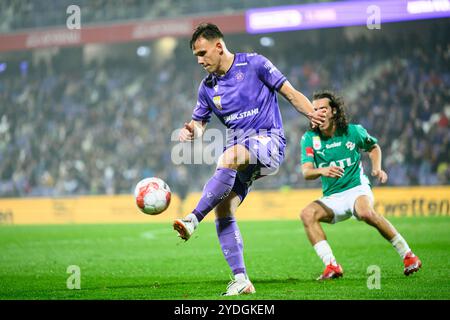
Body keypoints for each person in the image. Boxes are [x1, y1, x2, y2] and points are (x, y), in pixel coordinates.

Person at [173, 22, 325, 296]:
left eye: (203, 52)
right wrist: (191, 132)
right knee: (223, 209)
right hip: (242, 155)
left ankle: (193, 219)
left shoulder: (255, 64)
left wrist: (311, 113)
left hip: (269, 142)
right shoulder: (207, 87)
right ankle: (241, 279)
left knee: (228, 156)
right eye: (196, 55)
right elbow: (199, 124)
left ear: (219, 46)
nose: (199, 60)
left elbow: (289, 93)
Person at [299, 90, 422, 280]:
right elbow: (306, 172)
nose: (319, 112)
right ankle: (332, 266)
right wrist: (321, 170)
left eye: (323, 108)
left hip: (357, 188)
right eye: (315, 109)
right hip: (332, 197)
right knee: (307, 214)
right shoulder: (309, 138)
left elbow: (373, 147)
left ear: (333, 111)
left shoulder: (352, 131)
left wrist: (377, 168)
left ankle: (408, 255)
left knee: (365, 212)